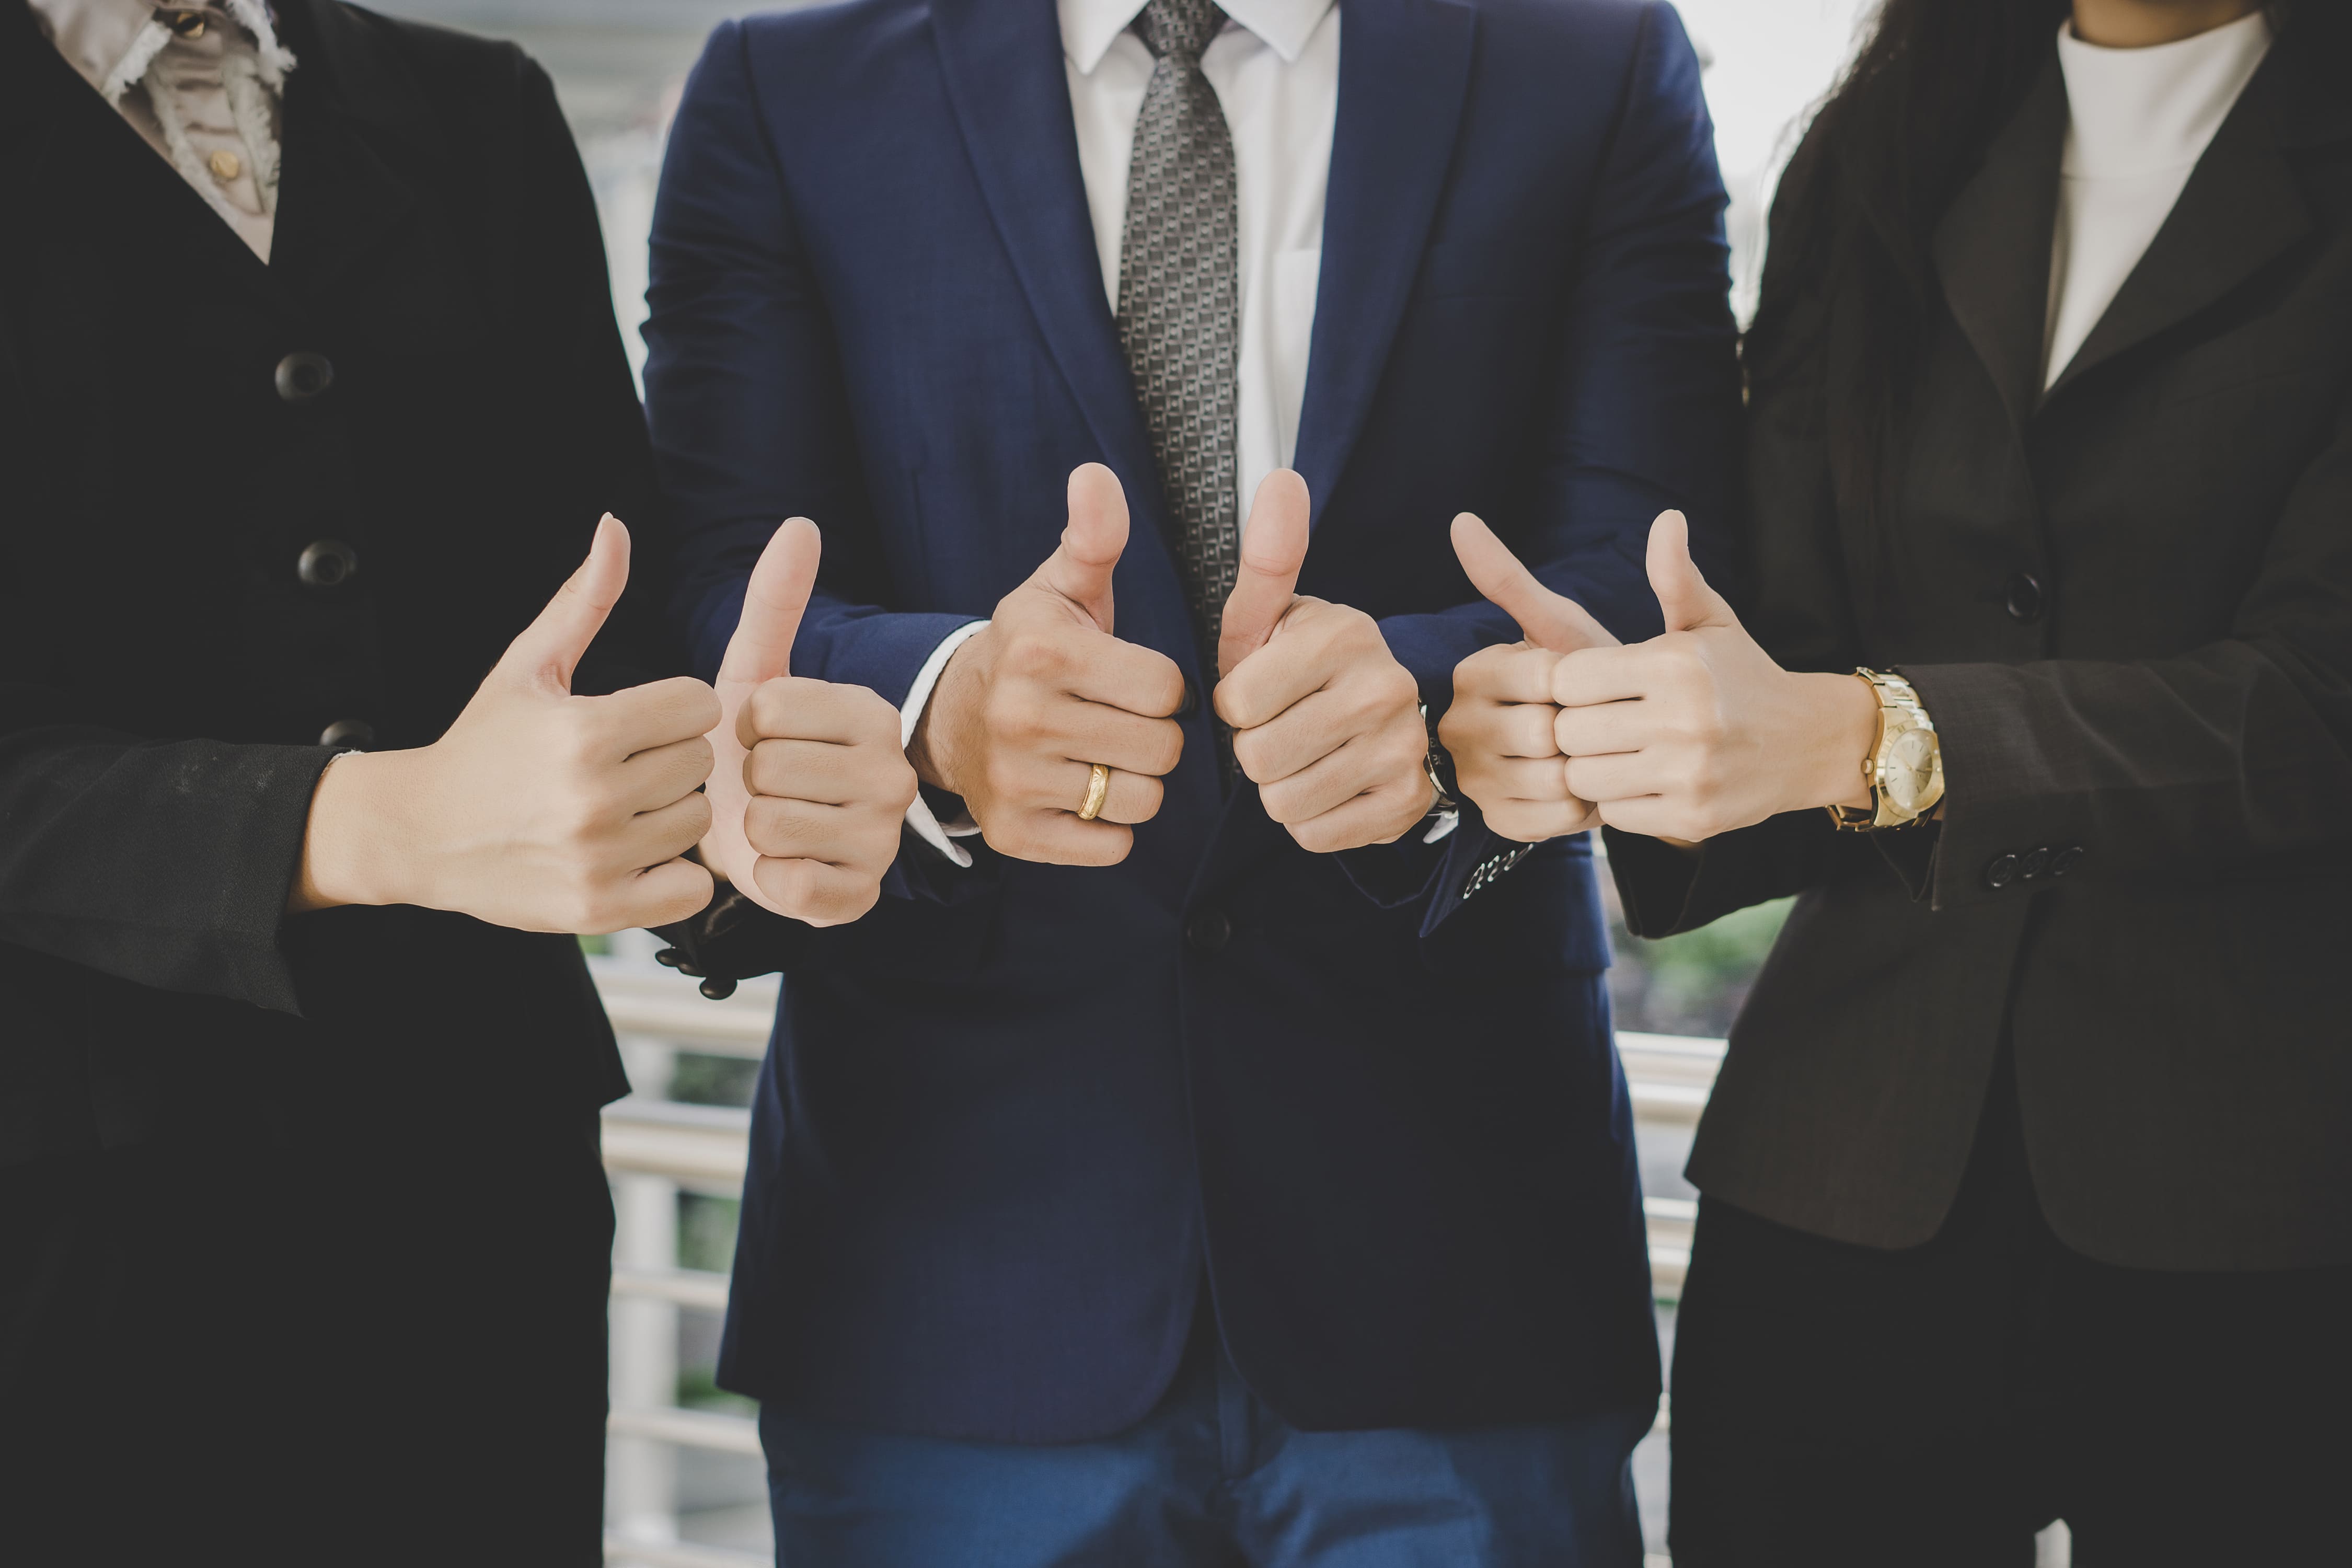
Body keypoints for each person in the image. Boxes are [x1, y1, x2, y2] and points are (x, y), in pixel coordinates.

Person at [641, 0, 1742, 1560]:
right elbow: (708, 583)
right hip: (948, 1257)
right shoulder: (787, 83)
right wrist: (943, 705)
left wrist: (1422, 696)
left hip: (1454, 1241)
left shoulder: (1591, 59)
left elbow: (1665, 565)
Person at [0, 1, 913, 1561]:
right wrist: (374, 825)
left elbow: (608, 627)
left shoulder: (473, 106)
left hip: (476, 1213)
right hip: (59, 1241)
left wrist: (729, 807)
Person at [1444, 0, 2352, 1560]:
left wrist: (1885, 737)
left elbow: (2318, 701)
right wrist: (1619, 725)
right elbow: (1792, 662)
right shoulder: (1879, 157)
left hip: (2272, 1200)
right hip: (1849, 1163)